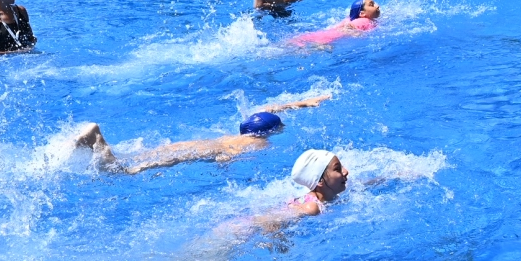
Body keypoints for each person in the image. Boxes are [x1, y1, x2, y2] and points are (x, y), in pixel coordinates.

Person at [74, 93, 333, 174]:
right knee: (128, 171)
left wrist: (303, 102)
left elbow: (265, 109)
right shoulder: (259, 144)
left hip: (197, 143)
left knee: (143, 154)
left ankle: (96, 138)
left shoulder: (239, 131)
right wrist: (226, 164)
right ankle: (100, 145)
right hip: (205, 151)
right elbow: (227, 156)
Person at [287, 0, 383, 47]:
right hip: (326, 39)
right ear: (362, 13)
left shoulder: (350, 18)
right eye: (372, 5)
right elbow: (351, 29)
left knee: (290, 45)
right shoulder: (366, 21)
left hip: (320, 35)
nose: (377, 6)